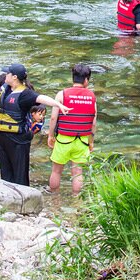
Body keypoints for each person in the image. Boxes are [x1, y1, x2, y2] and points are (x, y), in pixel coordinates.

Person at [0, 64, 68, 186]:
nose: (5, 75)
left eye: (8, 74)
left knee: (19, 174)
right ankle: (8, 198)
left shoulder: (25, 94)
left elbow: (41, 98)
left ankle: (23, 199)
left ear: (15, 77)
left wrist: (58, 105)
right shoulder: (4, 89)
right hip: (2, 137)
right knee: (5, 172)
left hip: (18, 140)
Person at [49, 64, 98, 194]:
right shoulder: (91, 96)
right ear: (86, 80)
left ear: (73, 78)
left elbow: (53, 118)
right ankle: (76, 200)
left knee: (56, 171)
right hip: (82, 140)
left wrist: (50, 136)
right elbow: (93, 122)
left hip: (63, 139)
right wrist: (91, 141)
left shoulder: (62, 94)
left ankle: (55, 200)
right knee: (77, 172)